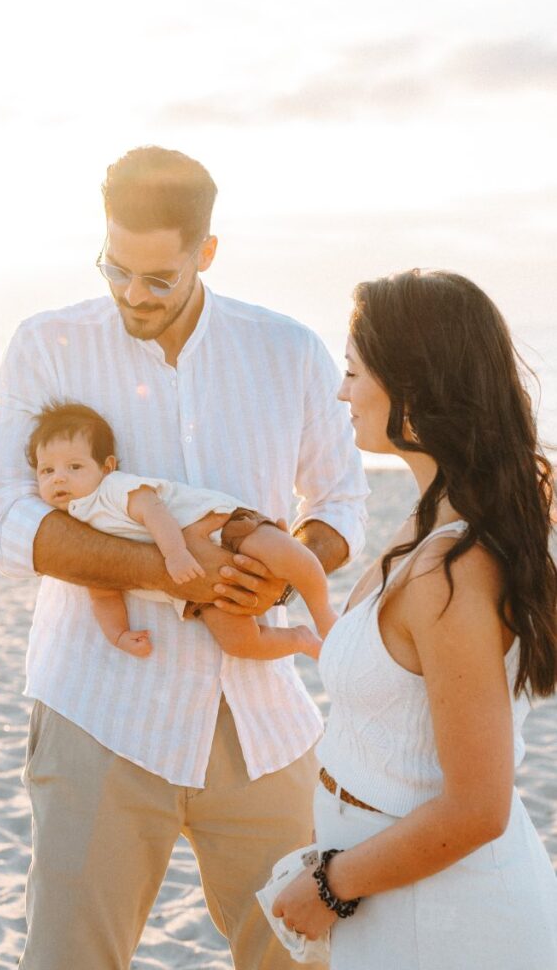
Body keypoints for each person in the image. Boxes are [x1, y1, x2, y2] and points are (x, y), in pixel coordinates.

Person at [0, 145, 368, 970]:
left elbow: (341, 507)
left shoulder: (287, 350)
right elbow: (5, 520)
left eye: (157, 278)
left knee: (298, 959)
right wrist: (170, 572)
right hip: (97, 712)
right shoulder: (46, 345)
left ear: (205, 254)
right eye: (116, 269)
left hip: (262, 721)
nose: (132, 295)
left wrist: (281, 565)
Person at [271, 269, 557, 969]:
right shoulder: (434, 521)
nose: (341, 391)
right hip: (395, 891)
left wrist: (329, 887)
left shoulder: (451, 569)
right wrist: (317, 620)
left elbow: (476, 807)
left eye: (352, 371)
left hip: (442, 917)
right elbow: (408, 676)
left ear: (417, 386)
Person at [28, 401, 335, 660]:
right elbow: (102, 592)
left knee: (293, 558)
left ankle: (324, 616)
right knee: (241, 643)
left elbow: (153, 511)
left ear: (106, 467)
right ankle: (300, 639)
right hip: (195, 590)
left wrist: (175, 554)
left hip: (223, 526)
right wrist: (118, 633)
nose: (59, 479)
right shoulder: (75, 528)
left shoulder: (112, 488)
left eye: (74, 467)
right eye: (47, 471)